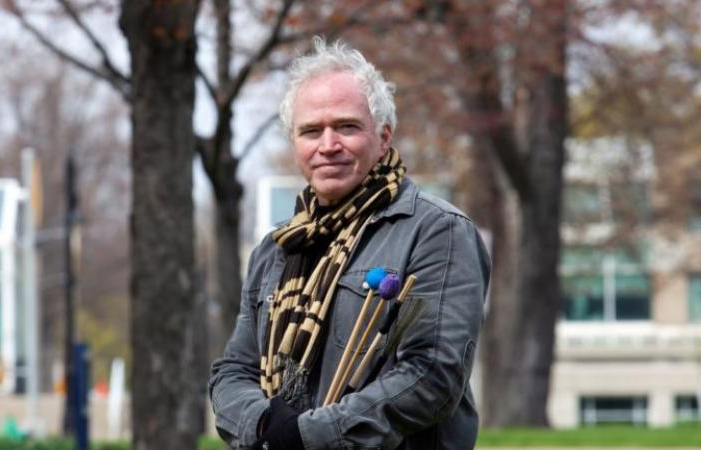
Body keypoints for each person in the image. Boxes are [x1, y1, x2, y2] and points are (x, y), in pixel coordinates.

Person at [209, 37, 491, 450]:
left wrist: (310, 436)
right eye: (311, 131)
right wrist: (266, 425)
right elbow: (234, 371)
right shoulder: (275, 251)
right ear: (295, 145)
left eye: (347, 126)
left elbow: (432, 374)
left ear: (383, 137)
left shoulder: (437, 231)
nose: (328, 145)